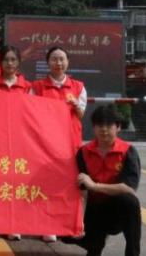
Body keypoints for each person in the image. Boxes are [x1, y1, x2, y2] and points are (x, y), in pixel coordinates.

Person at [67, 105, 142, 256]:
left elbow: (128, 188)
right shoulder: (83, 152)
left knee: (130, 202)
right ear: (94, 127)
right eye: (99, 125)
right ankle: (94, 245)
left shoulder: (128, 151)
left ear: (118, 127)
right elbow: (81, 190)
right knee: (69, 234)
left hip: (115, 211)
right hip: (92, 210)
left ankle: (132, 253)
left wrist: (94, 186)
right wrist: (77, 221)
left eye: (109, 125)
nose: (104, 129)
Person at [31, 46, 87, 243]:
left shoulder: (78, 87)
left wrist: (76, 106)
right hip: (45, 144)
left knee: (71, 186)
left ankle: (72, 224)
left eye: (62, 59)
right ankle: (47, 226)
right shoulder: (37, 87)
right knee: (46, 184)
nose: (58, 63)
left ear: (68, 62)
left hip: (70, 143)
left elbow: (81, 115)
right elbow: (31, 113)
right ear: (48, 62)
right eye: (54, 59)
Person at [0, 45, 31, 240]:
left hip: (18, 141)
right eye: (6, 59)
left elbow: (31, 114)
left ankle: (13, 225)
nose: (10, 63)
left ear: (19, 62)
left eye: (14, 59)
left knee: (15, 183)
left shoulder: (27, 87)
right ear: (0, 62)